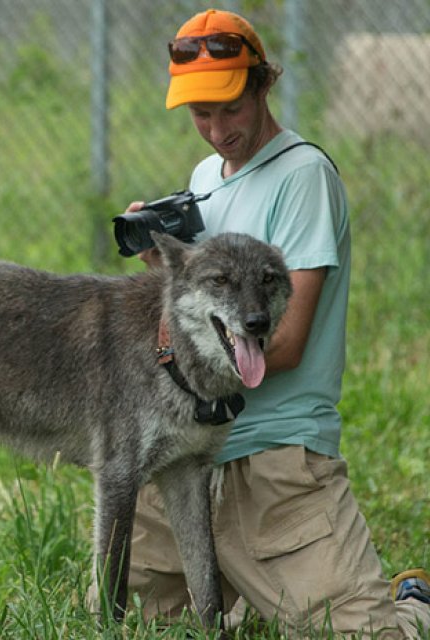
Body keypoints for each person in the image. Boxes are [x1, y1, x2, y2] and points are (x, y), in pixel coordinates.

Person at [126, 8, 430, 638]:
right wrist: (170, 271)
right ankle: (249, 598)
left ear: (264, 84)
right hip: (189, 450)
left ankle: (414, 602)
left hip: (274, 455)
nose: (216, 130)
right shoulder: (207, 178)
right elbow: (201, 320)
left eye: (230, 108)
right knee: (145, 624)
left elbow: (283, 346)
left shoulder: (303, 178)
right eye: (199, 114)